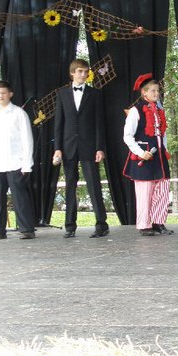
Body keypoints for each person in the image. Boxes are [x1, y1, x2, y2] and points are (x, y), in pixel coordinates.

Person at [53, 59, 110, 239]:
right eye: (80, 71)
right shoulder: (62, 94)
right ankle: (70, 226)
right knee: (70, 186)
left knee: (94, 184)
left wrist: (100, 148)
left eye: (86, 71)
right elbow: (58, 124)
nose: (83, 74)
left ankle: (102, 225)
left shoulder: (95, 94)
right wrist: (57, 148)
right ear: (72, 73)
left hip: (89, 146)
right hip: (68, 146)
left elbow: (100, 123)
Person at [0, 80, 36, 241]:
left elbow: (27, 139)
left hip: (15, 162)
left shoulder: (19, 113)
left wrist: (27, 163)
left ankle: (26, 229)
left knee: (19, 196)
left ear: (10, 94)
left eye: (3, 93)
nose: (0, 96)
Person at [123, 73, 172, 236]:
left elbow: (162, 134)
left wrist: (164, 150)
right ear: (144, 92)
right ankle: (144, 225)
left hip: (159, 157)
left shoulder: (159, 110)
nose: (156, 93)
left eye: (158, 91)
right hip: (143, 156)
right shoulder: (135, 111)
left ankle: (158, 222)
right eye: (153, 91)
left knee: (162, 190)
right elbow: (127, 136)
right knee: (144, 192)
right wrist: (140, 152)